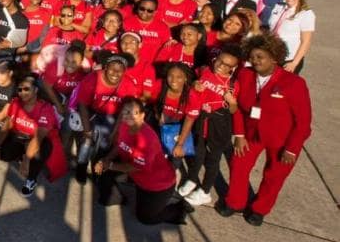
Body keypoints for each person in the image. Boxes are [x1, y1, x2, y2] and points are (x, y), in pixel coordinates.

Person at [217, 34, 312, 226]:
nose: (255, 61)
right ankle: (235, 202)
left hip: (282, 140)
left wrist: (292, 149)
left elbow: (303, 122)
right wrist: (239, 134)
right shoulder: (245, 75)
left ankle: (259, 209)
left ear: (274, 58)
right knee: (239, 164)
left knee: (274, 176)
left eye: (260, 57)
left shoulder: (294, 83)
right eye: (252, 57)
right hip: (251, 134)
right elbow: (238, 107)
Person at [94, 98, 188, 225]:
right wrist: (106, 159)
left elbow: (134, 167)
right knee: (102, 167)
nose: (129, 115)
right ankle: (115, 198)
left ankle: (179, 209)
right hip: (139, 179)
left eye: (134, 112)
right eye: (125, 112)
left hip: (158, 185)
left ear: (143, 116)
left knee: (146, 218)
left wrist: (109, 165)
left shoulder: (147, 139)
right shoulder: (124, 125)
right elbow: (119, 145)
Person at [175, 47, 240, 207]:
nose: (221, 66)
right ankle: (192, 179)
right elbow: (192, 80)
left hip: (217, 127)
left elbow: (233, 110)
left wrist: (232, 102)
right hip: (200, 122)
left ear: (233, 68)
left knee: (212, 161)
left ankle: (205, 191)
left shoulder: (233, 85)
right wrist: (195, 84)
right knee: (197, 155)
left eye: (227, 65)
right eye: (220, 61)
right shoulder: (205, 71)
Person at [0, 73, 62, 197]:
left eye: (26, 89)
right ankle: (21, 156)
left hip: (36, 140)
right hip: (18, 137)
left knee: (38, 153)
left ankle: (31, 179)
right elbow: (8, 124)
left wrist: (27, 161)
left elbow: (38, 138)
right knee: (3, 153)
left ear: (36, 90)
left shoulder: (46, 109)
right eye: (20, 89)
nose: (22, 92)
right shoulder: (16, 103)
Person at [73, 53, 139, 183]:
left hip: (114, 117)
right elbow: (82, 105)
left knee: (104, 144)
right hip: (92, 113)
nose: (115, 73)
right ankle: (81, 167)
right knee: (87, 142)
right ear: (106, 67)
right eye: (112, 68)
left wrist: (115, 132)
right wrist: (87, 131)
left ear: (124, 71)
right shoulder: (92, 79)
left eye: (120, 70)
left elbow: (125, 112)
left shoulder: (129, 85)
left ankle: (97, 169)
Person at [268, 0, 315, 74]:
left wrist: (294, 63)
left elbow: (306, 41)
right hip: (271, 55)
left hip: (288, 59)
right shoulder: (278, 6)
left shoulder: (306, 14)